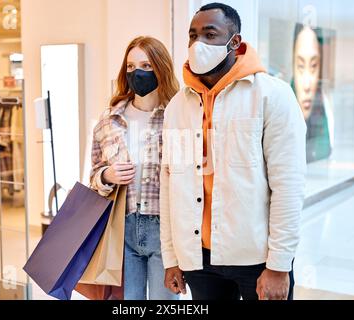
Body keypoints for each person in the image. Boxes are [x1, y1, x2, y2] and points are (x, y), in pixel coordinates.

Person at [160, 2, 307, 300]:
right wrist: (172, 258)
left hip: (256, 258)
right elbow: (169, 183)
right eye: (193, 35)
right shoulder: (178, 106)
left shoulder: (272, 95)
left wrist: (279, 264)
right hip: (199, 258)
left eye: (210, 34)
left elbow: (288, 185)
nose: (198, 43)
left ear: (235, 42)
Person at [90, 36, 180, 300]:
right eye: (130, 67)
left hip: (166, 230)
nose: (136, 73)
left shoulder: (177, 116)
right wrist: (107, 175)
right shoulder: (109, 120)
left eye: (145, 65)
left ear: (161, 68)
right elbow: (94, 176)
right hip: (122, 228)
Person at [292, 23, 333, 163]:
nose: (307, 85)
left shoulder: (326, 109)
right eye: (300, 66)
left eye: (314, 66)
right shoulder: (279, 111)